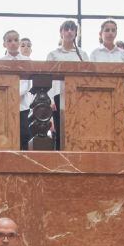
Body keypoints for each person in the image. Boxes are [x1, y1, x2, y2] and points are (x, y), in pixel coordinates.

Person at [45, 19, 86, 149]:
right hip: (58, 97)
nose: (69, 32)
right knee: (59, 131)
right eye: (66, 29)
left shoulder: (82, 54)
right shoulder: (53, 54)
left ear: (76, 33)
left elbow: (87, 79)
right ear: (61, 32)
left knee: (77, 130)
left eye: (72, 29)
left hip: (77, 98)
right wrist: (50, 99)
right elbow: (48, 79)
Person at [0, 30, 32, 150]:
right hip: (6, 104)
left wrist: (15, 94)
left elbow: (27, 83)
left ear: (19, 42)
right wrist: (9, 95)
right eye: (9, 40)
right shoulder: (0, 62)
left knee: (24, 133)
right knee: (6, 133)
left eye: (15, 40)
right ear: (4, 44)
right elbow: (0, 82)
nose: (13, 43)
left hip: (22, 104)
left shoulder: (27, 61)